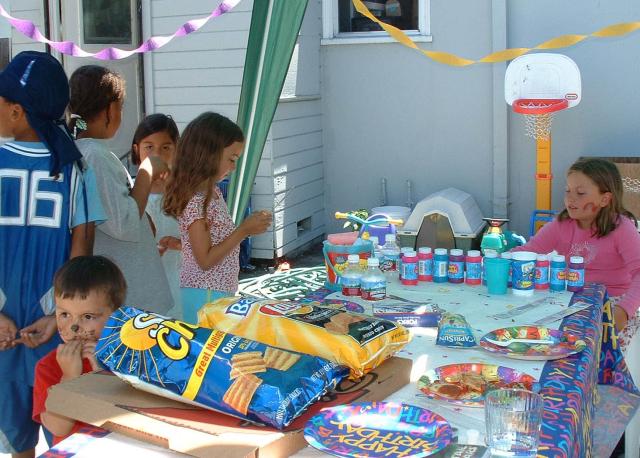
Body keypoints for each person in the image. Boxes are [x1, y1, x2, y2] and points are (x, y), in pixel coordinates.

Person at [0, 52, 104, 458]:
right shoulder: (76, 169)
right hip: (59, 325)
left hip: (5, 331)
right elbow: (83, 255)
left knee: (15, 435)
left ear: (15, 111)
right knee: (64, 429)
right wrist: (54, 316)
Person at [68, 65, 174, 314]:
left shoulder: (87, 151)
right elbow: (124, 223)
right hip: (129, 300)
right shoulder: (94, 155)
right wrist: (146, 172)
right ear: (111, 109)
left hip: (129, 294)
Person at [512, 157, 640, 342]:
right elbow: (529, 251)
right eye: (567, 191)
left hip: (613, 303)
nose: (570, 198)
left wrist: (624, 310)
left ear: (605, 199)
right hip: (569, 301)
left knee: (601, 361)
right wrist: (494, 258)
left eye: (580, 193)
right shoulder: (561, 224)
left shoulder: (622, 228)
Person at [163, 112, 272, 323]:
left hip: (213, 291)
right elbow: (205, 260)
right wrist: (243, 230)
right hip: (207, 294)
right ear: (208, 154)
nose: (234, 167)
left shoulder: (211, 193)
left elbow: (203, 245)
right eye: (231, 159)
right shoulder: (197, 200)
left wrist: (182, 244)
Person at [32, 255, 126, 445]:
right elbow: (59, 428)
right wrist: (69, 378)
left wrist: (102, 374)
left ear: (116, 316)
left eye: (88, 316)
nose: (74, 327)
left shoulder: (127, 355)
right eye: (64, 314)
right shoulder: (49, 366)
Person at [130, 114, 182, 319]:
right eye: (149, 147)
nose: (156, 154)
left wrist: (181, 244)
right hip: (146, 287)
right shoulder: (130, 191)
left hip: (182, 281)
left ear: (177, 148)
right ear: (137, 150)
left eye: (165, 147)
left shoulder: (187, 191)